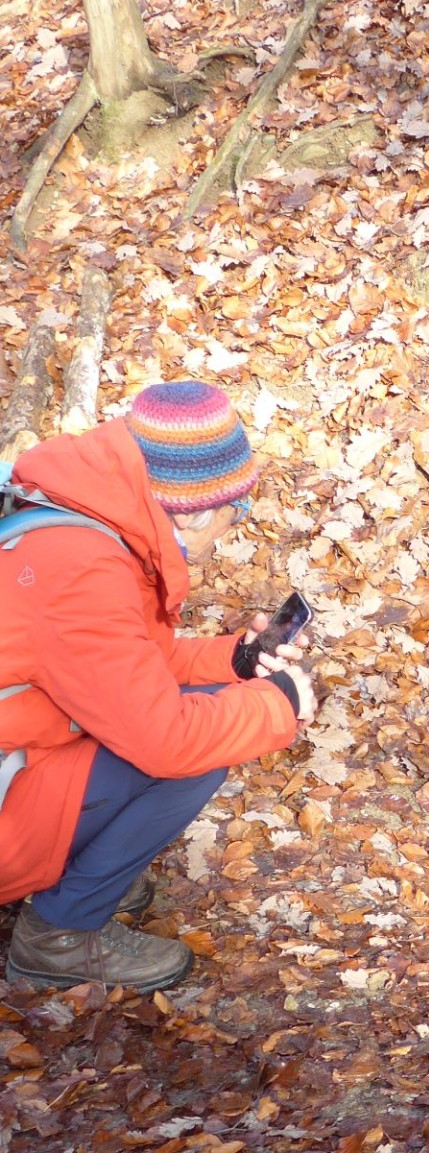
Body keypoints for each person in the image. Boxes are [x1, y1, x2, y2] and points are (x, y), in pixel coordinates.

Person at [0, 382, 316, 992]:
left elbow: (128, 664)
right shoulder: (81, 573)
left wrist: (240, 661)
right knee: (199, 752)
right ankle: (58, 936)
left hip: (20, 751)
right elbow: (164, 741)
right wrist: (279, 706)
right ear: (195, 509)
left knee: (209, 711)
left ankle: (86, 864)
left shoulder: (81, 520)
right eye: (237, 512)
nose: (231, 529)